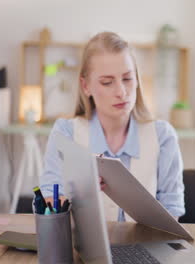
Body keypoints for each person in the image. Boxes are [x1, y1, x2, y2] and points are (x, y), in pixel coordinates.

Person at [39, 32, 185, 221]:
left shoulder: (163, 136)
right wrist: (76, 193)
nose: (121, 92)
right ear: (86, 86)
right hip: (81, 248)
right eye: (107, 82)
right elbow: (50, 199)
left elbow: (172, 210)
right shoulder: (66, 133)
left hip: (146, 246)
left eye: (127, 79)